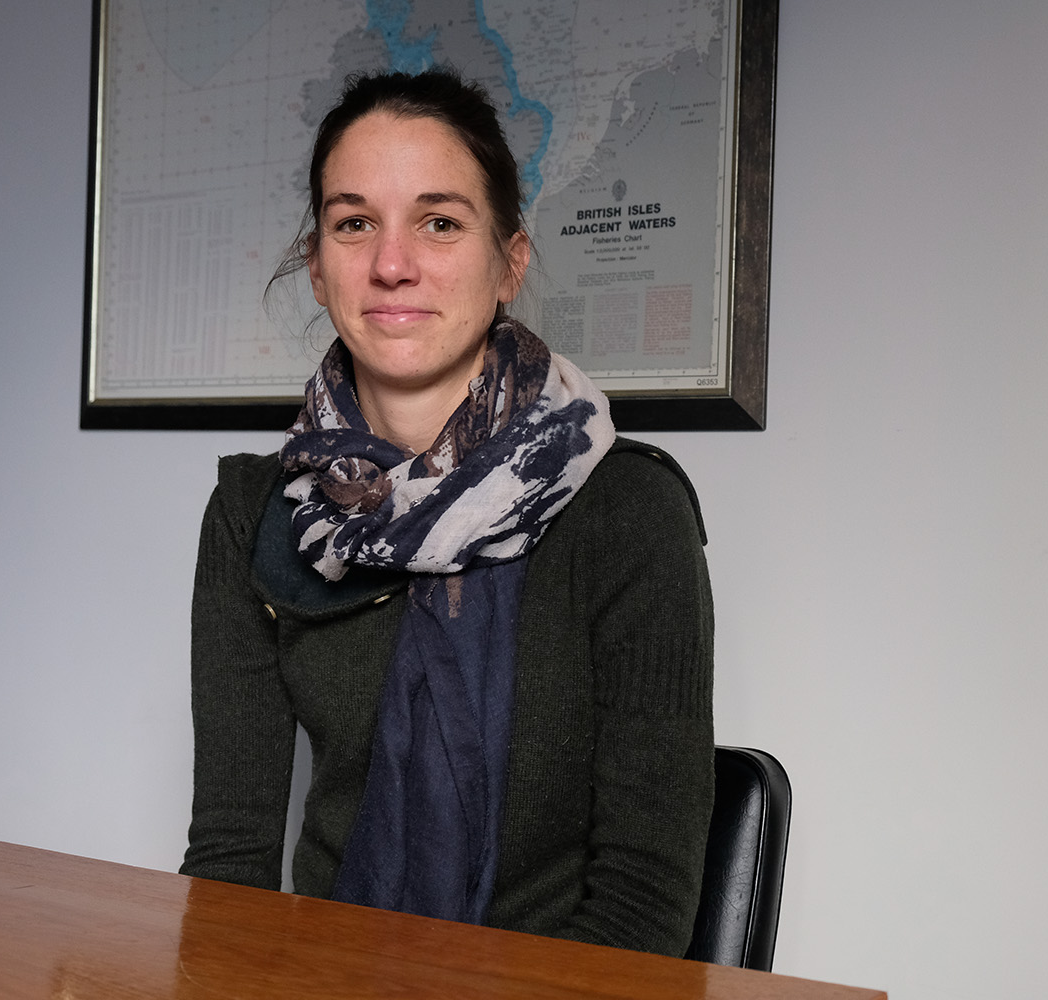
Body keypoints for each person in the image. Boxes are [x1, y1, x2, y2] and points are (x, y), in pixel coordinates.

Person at [179, 68, 714, 958]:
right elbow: (228, 861)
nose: (393, 264)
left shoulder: (628, 512)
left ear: (510, 261)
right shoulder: (253, 513)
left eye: (439, 222)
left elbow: (643, 905)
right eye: (355, 223)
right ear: (317, 266)